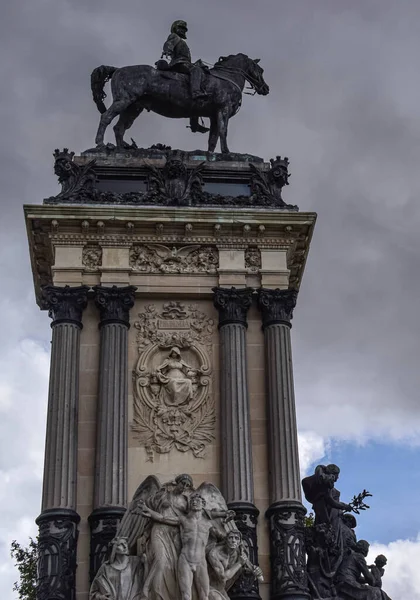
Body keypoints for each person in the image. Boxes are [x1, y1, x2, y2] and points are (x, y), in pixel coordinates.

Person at [142, 493, 234, 600]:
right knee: (186, 596)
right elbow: (163, 518)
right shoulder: (183, 520)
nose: (194, 502)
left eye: (197, 501)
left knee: (204, 596)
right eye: (192, 501)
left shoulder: (209, 524)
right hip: (185, 560)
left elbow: (223, 538)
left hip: (200, 562)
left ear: (203, 504)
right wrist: (149, 511)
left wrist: (226, 520)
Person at [159, 20, 209, 133]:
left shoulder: (182, 41)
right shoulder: (174, 36)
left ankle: (194, 124)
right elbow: (169, 44)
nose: (182, 30)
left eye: (184, 29)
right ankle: (196, 92)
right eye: (180, 28)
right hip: (179, 64)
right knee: (196, 70)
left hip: (184, 63)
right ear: (175, 28)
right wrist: (167, 51)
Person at [207, 531, 263, 600]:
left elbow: (241, 570)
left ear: (239, 542)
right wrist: (239, 563)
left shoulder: (239, 554)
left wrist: (254, 571)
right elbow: (223, 577)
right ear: (226, 539)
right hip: (208, 586)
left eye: (236, 538)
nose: (233, 540)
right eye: (231, 537)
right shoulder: (215, 553)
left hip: (221, 589)